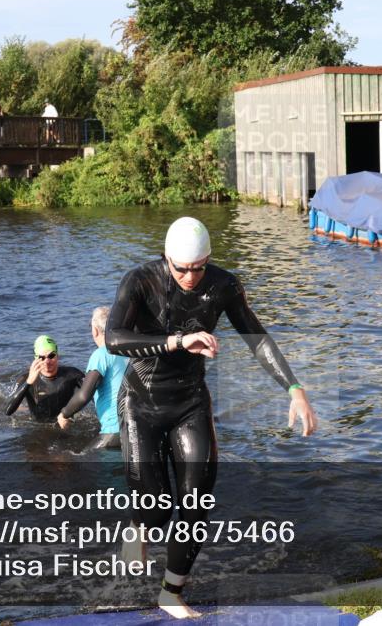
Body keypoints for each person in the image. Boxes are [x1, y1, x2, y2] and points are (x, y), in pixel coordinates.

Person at [106, 216, 317, 618]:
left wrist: (295, 389)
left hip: (189, 401)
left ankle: (171, 592)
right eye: (181, 268)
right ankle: (140, 524)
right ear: (166, 258)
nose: (189, 277)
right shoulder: (140, 280)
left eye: (198, 268)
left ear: (209, 260)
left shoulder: (223, 286)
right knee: (155, 506)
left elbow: (256, 336)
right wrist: (177, 341)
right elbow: (114, 338)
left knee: (197, 499)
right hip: (140, 403)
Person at [57, 306, 127, 449]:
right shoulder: (128, 350)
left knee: (81, 458)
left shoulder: (100, 354)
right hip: (138, 427)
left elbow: (84, 395)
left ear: (95, 330)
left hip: (114, 431)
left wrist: (64, 414)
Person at [4, 335, 85, 423]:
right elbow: (7, 411)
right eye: (41, 357)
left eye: (51, 356)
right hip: (38, 428)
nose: (47, 361)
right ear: (36, 359)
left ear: (57, 356)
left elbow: (93, 393)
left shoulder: (72, 374)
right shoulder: (25, 379)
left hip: (66, 425)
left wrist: (67, 414)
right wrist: (28, 382)